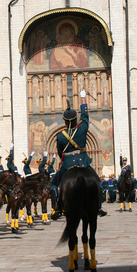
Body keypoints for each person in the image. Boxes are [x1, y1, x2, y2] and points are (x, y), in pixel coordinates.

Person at [50, 89, 107, 220]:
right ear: (76, 120)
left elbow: (60, 152)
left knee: (54, 184)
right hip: (83, 162)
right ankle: (98, 206)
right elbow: (85, 116)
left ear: (65, 121)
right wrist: (83, 100)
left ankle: (57, 208)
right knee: (97, 181)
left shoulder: (60, 136)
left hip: (67, 164)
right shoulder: (82, 129)